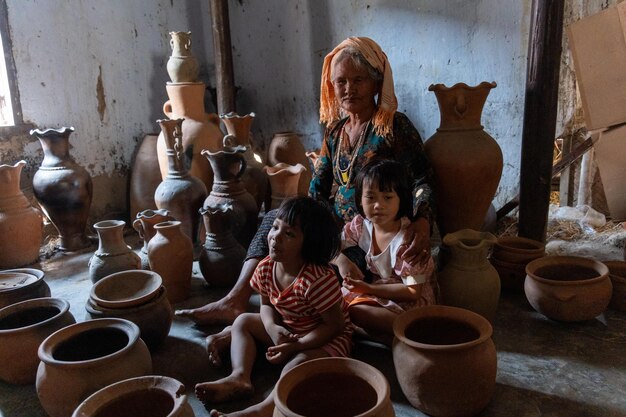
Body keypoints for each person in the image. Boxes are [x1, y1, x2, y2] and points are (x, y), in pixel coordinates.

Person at [176, 36, 434, 336]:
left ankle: (293, 325)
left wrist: (423, 220)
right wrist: (307, 222)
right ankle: (236, 299)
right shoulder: (336, 132)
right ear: (332, 87)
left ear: (377, 83)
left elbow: (422, 178)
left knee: (323, 277)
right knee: (276, 220)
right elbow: (318, 190)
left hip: (371, 235)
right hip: (339, 229)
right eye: (341, 82)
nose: (349, 89)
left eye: (359, 80)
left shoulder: (393, 126)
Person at [195, 197, 353, 417]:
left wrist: (297, 346)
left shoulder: (318, 280)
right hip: (288, 329)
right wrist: (271, 328)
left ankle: (265, 408)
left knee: (297, 364)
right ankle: (239, 377)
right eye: (275, 227)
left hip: (323, 338)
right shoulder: (265, 267)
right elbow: (266, 305)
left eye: (289, 234)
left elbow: (334, 326)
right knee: (242, 321)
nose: (275, 237)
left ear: (309, 245)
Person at [333, 159, 438, 345]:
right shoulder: (361, 226)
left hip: (407, 301)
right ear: (359, 199)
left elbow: (413, 290)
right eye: (371, 197)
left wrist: (367, 288)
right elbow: (330, 246)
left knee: (353, 311)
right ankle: (389, 338)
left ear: (402, 199)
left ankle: (410, 333)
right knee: (335, 304)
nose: (378, 205)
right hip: (380, 292)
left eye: (387, 197)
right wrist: (341, 260)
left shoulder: (407, 240)